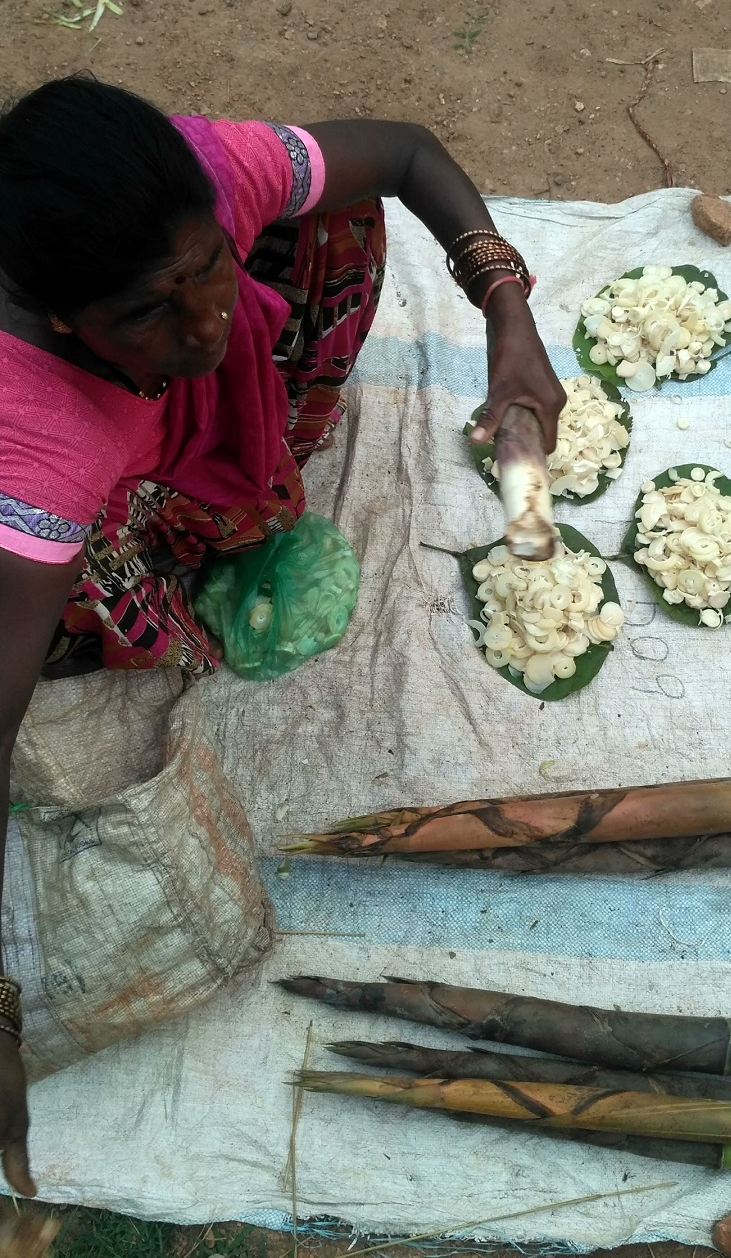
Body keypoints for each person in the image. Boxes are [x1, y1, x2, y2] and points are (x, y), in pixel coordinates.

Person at [0, 75, 564, 1194]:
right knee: (89, 613)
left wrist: (509, 316)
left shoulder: (201, 183)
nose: (208, 321)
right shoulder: (42, 441)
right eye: (149, 312)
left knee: (336, 221)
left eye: (209, 265)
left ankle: (233, 470)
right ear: (65, 317)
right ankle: (170, 512)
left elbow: (406, 150)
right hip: (61, 494)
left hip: (137, 404)